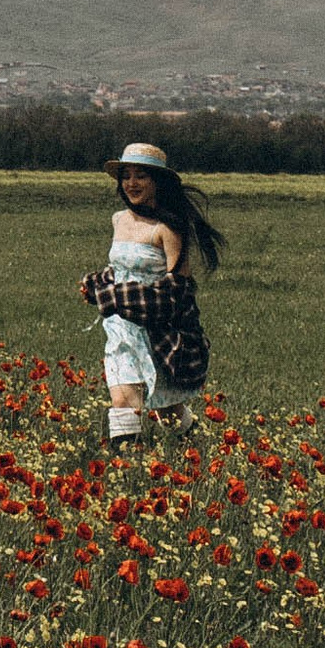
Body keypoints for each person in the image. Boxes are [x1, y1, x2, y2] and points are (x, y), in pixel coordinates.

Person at [80, 140, 220, 448]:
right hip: (121, 328)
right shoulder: (119, 219)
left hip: (159, 331)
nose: (131, 183)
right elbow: (118, 268)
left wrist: (120, 296)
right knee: (123, 399)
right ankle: (125, 468)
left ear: (157, 181)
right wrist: (97, 284)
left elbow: (179, 291)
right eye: (126, 175)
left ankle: (193, 450)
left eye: (140, 175)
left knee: (168, 407)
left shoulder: (168, 228)